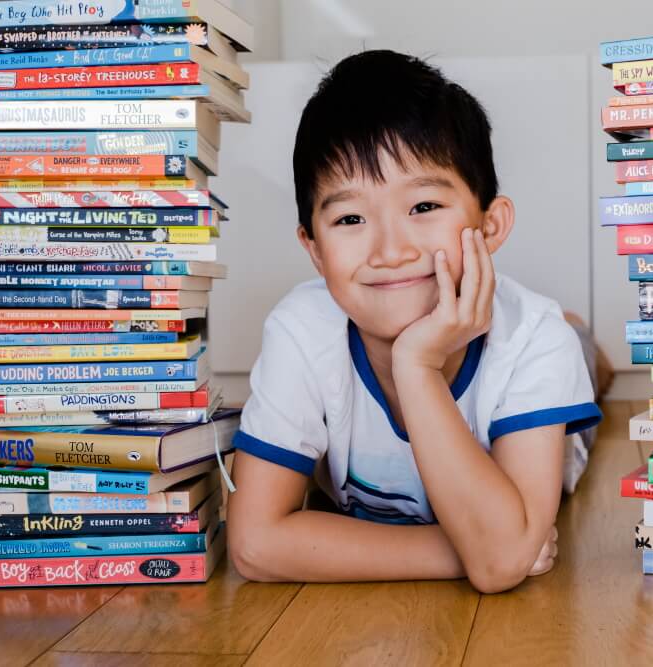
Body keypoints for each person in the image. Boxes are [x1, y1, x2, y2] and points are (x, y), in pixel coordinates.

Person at [227, 50, 601, 594]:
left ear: (490, 226)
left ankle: (588, 343)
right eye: (350, 218)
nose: (391, 250)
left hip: (549, 399)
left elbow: (498, 567)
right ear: (313, 248)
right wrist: (468, 549)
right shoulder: (301, 330)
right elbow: (255, 544)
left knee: (576, 352)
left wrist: (417, 366)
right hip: (481, 515)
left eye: (423, 207)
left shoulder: (534, 341)